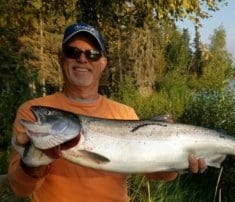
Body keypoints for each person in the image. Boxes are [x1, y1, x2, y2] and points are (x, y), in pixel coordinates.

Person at [8, 22, 207, 202]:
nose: (83, 59)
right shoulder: (33, 112)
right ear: (61, 58)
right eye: (72, 52)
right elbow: (19, 188)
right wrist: (32, 163)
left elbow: (154, 172)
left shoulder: (124, 113)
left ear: (103, 63)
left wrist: (179, 165)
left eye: (92, 54)